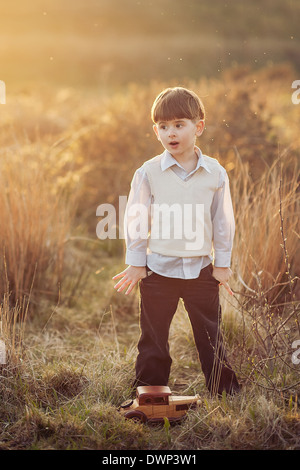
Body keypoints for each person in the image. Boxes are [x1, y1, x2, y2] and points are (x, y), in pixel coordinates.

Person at [112, 87, 240, 396]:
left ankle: (224, 391)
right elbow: (136, 218)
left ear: (198, 127)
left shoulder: (215, 173)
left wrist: (222, 265)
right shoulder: (148, 173)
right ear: (155, 130)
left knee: (211, 335)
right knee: (154, 337)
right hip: (158, 272)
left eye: (179, 124)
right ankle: (150, 390)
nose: (171, 133)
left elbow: (223, 221)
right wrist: (136, 263)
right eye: (163, 126)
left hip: (201, 272)